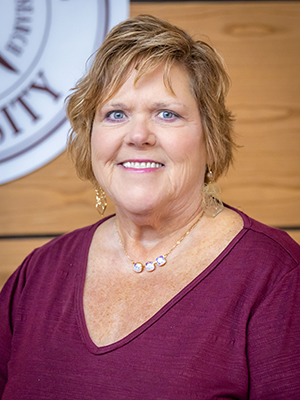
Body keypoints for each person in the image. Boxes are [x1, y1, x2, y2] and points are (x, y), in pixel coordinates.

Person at [0, 14, 299, 400]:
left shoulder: (277, 279)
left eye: (167, 113)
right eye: (116, 114)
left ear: (210, 137)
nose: (138, 135)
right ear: (91, 137)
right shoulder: (38, 275)